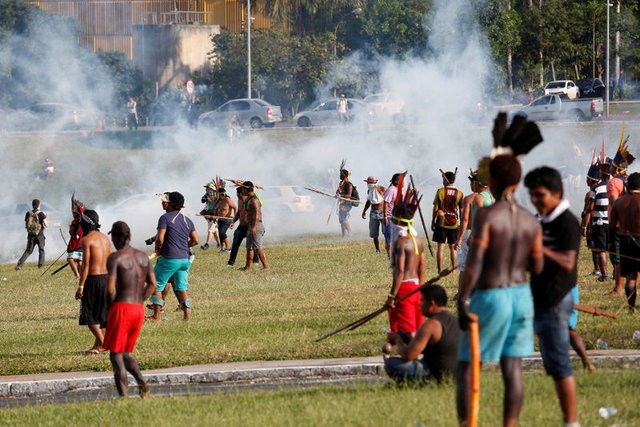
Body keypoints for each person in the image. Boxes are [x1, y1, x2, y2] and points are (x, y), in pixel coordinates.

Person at [456, 155, 544, 427]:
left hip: (492, 296)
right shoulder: (529, 218)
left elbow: (475, 261)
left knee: (468, 366)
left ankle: (467, 424)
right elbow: (537, 265)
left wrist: (463, 298)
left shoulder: (487, 215)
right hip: (521, 296)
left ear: (491, 183)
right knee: (513, 368)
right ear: (517, 184)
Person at [524, 166, 581, 427]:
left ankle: (571, 422)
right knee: (553, 365)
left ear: (556, 193)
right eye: (532, 195)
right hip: (542, 298)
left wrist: (538, 248)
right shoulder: (543, 221)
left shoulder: (567, 222)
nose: (535, 200)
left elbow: (568, 262)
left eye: (540, 195)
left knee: (560, 366)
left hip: (558, 299)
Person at [104, 221, 156, 398]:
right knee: (124, 352)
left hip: (122, 308)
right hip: (137, 309)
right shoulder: (142, 256)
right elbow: (153, 284)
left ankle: (124, 398)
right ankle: (142, 384)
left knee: (116, 355)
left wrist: (111, 308)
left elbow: (110, 288)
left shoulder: (115, 258)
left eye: (113, 236)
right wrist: (140, 300)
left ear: (117, 237)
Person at [383, 285, 460, 385]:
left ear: (431, 303)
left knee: (391, 363)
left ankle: (418, 383)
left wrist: (398, 340)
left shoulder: (431, 324)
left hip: (436, 376)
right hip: (457, 376)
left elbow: (408, 356)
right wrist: (409, 338)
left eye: (422, 301)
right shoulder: (455, 321)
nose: (419, 305)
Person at [384, 184, 425, 340]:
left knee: (406, 332)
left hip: (404, 287)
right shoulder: (417, 240)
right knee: (416, 327)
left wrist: (391, 296)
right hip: (415, 286)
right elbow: (422, 268)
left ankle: (409, 358)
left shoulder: (402, 242)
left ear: (398, 221)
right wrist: (419, 288)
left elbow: (400, 271)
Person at [149, 192, 198, 321]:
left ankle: (156, 316)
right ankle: (187, 317)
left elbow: (159, 239)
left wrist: (159, 249)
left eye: (164, 201)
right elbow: (196, 240)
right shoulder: (187, 220)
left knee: (155, 284)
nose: (162, 203)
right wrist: (184, 246)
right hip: (185, 260)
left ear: (170, 204)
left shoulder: (164, 218)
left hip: (170, 259)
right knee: (181, 287)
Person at [75, 209, 112, 354]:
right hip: (107, 278)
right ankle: (98, 345)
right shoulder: (104, 238)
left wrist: (81, 286)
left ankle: (104, 343)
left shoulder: (86, 240)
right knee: (102, 315)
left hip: (94, 280)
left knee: (89, 314)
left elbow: (86, 265)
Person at [609, 172, 640, 312]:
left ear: (628, 185)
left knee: (631, 278)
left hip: (625, 242)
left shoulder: (618, 203)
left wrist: (610, 243)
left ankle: (631, 307)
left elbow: (612, 226)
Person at [581, 160, 609, 280]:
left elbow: (590, 209)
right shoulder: (608, 187)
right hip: (608, 222)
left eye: (588, 178)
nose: (586, 181)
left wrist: (584, 226)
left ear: (591, 180)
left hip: (597, 223)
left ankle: (601, 273)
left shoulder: (594, 190)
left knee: (598, 250)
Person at [432, 170, 463, 273]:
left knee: (440, 247)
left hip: (441, 223)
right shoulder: (459, 193)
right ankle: (454, 270)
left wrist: (433, 221)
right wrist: (461, 224)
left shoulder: (440, 191)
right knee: (453, 248)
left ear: (445, 180)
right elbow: (461, 211)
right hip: (454, 223)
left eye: (442, 179)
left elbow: (436, 209)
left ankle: (440, 270)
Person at [227, 186, 259, 267]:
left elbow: (256, 212)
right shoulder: (239, 200)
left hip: (249, 225)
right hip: (241, 226)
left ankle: (255, 261)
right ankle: (231, 263)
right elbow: (239, 213)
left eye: (237, 193)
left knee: (251, 244)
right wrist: (233, 221)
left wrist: (254, 226)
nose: (236, 195)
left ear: (241, 193)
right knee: (235, 243)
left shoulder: (249, 200)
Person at [242, 181, 269, 270]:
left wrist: (253, 226)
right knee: (249, 248)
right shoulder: (249, 199)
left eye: (243, 188)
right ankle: (247, 267)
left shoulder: (254, 200)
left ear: (246, 189)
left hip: (256, 225)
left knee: (258, 248)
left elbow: (257, 213)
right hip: (251, 224)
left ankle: (266, 267)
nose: (242, 190)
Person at [16, 199, 48, 270]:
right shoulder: (41, 213)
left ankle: (19, 265)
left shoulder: (28, 213)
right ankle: (41, 266)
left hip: (30, 235)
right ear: (39, 205)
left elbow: (26, 223)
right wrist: (45, 216)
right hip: (40, 235)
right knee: (41, 250)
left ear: (32, 205)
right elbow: (46, 225)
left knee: (28, 251)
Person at [361, 176, 386, 253]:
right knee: (374, 233)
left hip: (382, 212)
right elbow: (369, 201)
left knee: (386, 232)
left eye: (370, 182)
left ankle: (388, 246)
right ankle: (377, 250)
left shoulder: (382, 189)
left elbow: (388, 199)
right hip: (373, 212)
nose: (368, 184)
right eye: (368, 183)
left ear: (374, 183)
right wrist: (364, 210)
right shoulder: (369, 191)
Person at [383, 173, 401, 257]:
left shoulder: (399, 190)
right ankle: (389, 255)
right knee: (389, 237)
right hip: (390, 217)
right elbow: (385, 203)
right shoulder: (391, 190)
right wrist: (385, 217)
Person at [67, 197, 85, 279]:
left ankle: (78, 275)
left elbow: (81, 212)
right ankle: (80, 276)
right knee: (79, 261)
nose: (73, 214)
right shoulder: (75, 220)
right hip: (74, 242)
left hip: (78, 243)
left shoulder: (81, 219)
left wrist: (78, 206)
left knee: (70, 259)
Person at [215, 187, 237, 253]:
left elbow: (235, 208)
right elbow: (216, 210)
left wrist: (234, 220)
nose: (217, 195)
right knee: (220, 233)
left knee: (222, 232)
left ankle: (228, 248)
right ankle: (223, 248)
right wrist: (215, 217)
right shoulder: (219, 201)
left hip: (227, 220)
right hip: (220, 219)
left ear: (221, 194)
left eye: (217, 194)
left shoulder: (227, 200)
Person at [199, 182, 220, 250]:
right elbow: (202, 201)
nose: (206, 189)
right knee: (215, 230)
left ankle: (207, 244)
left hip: (215, 213)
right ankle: (219, 243)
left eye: (207, 188)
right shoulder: (207, 194)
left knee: (211, 229)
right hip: (209, 212)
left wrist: (210, 200)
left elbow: (218, 204)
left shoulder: (217, 195)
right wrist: (204, 198)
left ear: (211, 188)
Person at [337, 168, 354, 238]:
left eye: (340, 174)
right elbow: (338, 191)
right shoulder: (341, 183)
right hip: (341, 203)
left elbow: (349, 195)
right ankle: (344, 235)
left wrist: (340, 195)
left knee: (343, 218)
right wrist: (337, 194)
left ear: (344, 175)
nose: (339, 176)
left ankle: (350, 233)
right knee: (341, 219)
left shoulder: (349, 184)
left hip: (347, 203)